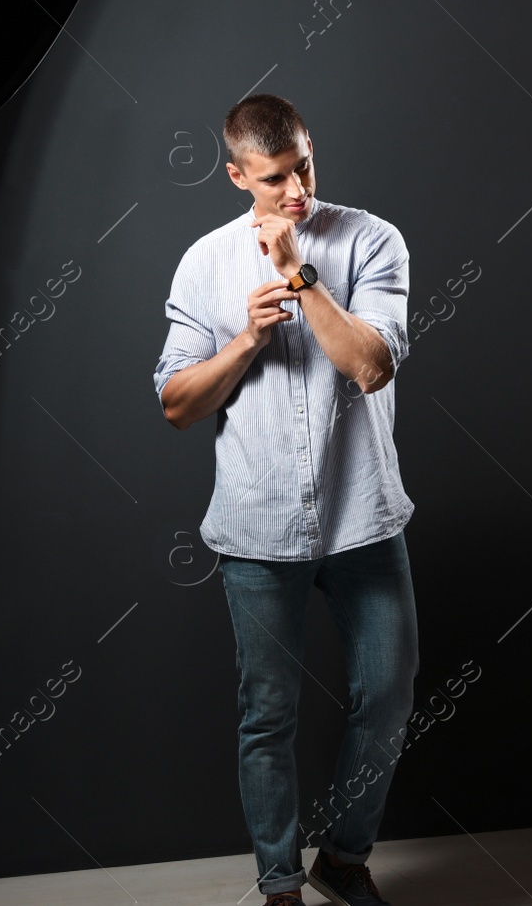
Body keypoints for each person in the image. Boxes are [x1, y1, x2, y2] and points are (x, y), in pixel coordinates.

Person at [153, 94, 417, 906]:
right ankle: (279, 885)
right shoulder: (204, 262)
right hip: (257, 527)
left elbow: (371, 364)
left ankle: (343, 857)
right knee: (267, 716)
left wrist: (301, 280)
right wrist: (246, 340)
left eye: (304, 164)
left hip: (361, 516)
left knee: (390, 692)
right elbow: (177, 402)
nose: (296, 188)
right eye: (274, 178)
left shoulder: (372, 238)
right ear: (237, 176)